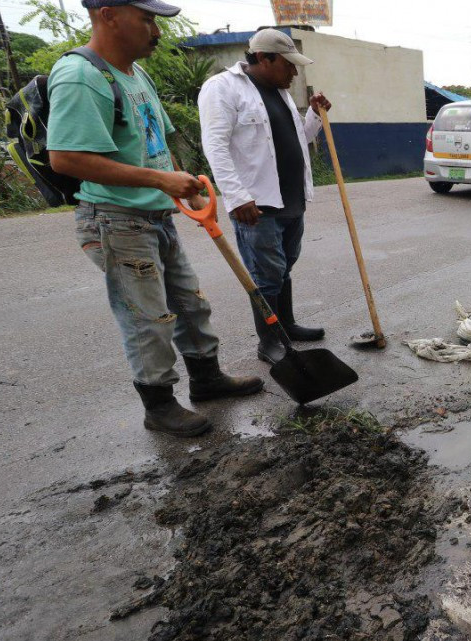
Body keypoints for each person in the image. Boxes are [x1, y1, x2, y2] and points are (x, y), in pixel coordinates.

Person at [48, 0, 263, 439]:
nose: (155, 30)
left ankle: (207, 379)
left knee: (190, 303)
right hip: (115, 219)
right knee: (148, 317)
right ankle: (159, 405)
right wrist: (160, 180)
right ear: (107, 14)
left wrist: (184, 181)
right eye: (145, 18)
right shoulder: (80, 76)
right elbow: (66, 157)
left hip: (156, 215)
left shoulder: (135, 73)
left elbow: (157, 141)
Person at [199, 29, 330, 365]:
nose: (294, 72)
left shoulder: (279, 93)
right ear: (263, 58)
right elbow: (215, 146)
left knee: (283, 267)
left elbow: (301, 138)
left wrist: (315, 115)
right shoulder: (223, 88)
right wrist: (236, 195)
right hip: (255, 204)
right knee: (265, 273)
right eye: (288, 65)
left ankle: (286, 325)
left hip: (291, 199)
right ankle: (269, 341)